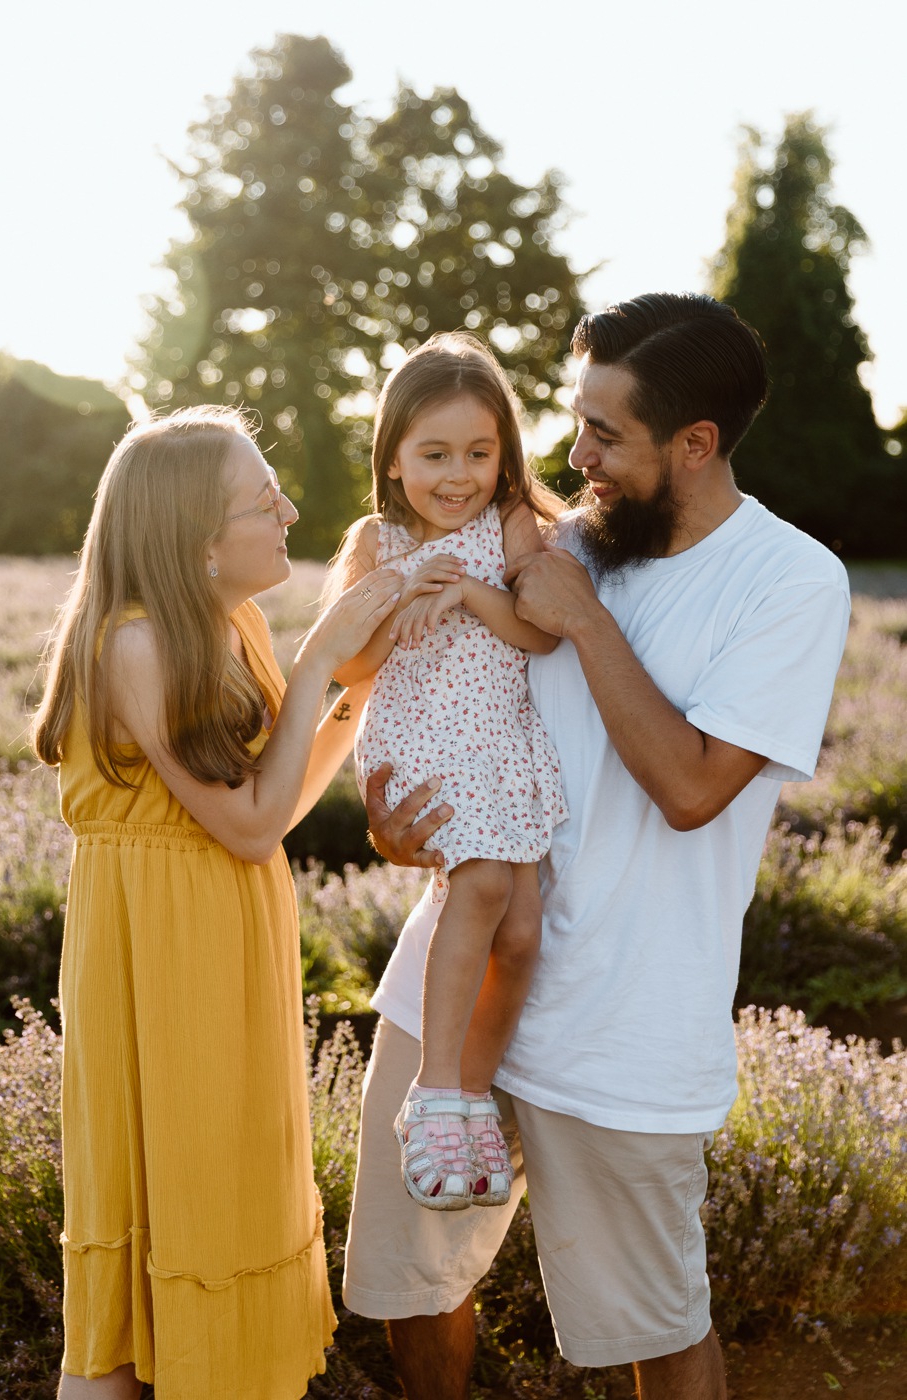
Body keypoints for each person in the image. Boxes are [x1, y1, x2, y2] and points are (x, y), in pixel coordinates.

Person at [342, 293, 851, 1400]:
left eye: (605, 434)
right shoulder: (555, 536)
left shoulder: (790, 579)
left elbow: (690, 786)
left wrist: (582, 615)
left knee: (660, 1329)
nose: (574, 456)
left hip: (625, 1026)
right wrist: (393, 815)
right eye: (575, 423)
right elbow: (426, 690)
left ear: (697, 444)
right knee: (412, 1286)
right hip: (456, 982)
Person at [32, 405, 400, 1400]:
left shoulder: (222, 627)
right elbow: (244, 825)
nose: (286, 507)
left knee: (219, 1208)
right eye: (259, 498)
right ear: (196, 540)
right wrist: (325, 649)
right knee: (129, 1306)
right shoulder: (136, 645)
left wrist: (359, 684)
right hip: (160, 965)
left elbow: (270, 805)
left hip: (222, 949)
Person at [327, 333, 567, 1212]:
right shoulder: (375, 540)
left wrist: (467, 593)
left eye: (477, 451)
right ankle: (433, 1093)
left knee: (520, 928)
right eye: (434, 454)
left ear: (504, 451)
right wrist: (400, 596)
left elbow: (541, 634)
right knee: (477, 894)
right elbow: (348, 670)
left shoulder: (508, 527)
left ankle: (468, 1094)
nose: (456, 474)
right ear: (393, 457)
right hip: (425, 741)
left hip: (499, 744)